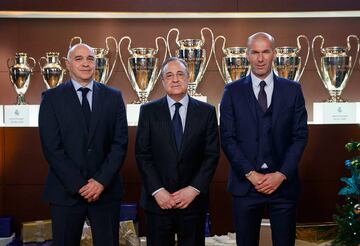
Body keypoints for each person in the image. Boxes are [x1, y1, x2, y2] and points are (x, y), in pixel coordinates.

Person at [220, 32, 308, 246]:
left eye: (265, 52)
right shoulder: (231, 91)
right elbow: (227, 138)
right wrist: (250, 174)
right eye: (255, 52)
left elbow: (300, 136)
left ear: (274, 54)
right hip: (245, 185)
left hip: (284, 186)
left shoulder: (293, 90)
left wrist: (281, 174)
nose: (260, 58)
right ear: (247, 55)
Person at [38, 43, 128, 246]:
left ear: (96, 64)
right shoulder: (51, 98)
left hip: (105, 192)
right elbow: (52, 147)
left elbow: (119, 143)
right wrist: (79, 185)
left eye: (90, 59)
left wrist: (100, 181)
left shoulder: (114, 97)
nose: (85, 63)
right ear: (68, 64)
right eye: (79, 59)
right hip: (66, 192)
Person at [135, 57, 220, 246]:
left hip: (192, 203)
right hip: (157, 202)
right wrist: (158, 191)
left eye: (180, 74)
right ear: (163, 81)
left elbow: (211, 155)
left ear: (188, 78)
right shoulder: (148, 111)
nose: (175, 79)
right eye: (169, 75)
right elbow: (142, 155)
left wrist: (193, 189)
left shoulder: (206, 112)